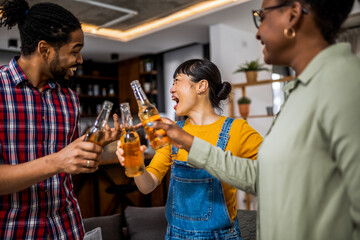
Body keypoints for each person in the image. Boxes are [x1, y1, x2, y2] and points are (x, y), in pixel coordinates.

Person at [150, 0, 360, 239]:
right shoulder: (299, 93)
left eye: (262, 16)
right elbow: (262, 176)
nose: (258, 32)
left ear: (292, 15)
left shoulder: (346, 83)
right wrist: (187, 141)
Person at [0, 0, 121, 239]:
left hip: (67, 227)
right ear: (45, 49)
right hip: (14, 231)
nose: (80, 60)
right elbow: (58, 162)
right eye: (75, 51)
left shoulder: (70, 99)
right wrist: (57, 161)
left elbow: (66, 169)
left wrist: (92, 147)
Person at [116, 59, 263, 239]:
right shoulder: (171, 132)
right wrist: (136, 163)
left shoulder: (237, 130)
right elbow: (147, 186)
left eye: (176, 81)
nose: (171, 89)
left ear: (201, 86)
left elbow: (272, 177)